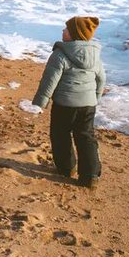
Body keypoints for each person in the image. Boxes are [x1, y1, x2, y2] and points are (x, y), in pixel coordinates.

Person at [28, 16, 105, 188]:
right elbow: (101, 79)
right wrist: (95, 98)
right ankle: (90, 175)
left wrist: (41, 101)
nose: (63, 31)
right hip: (88, 105)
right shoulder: (94, 54)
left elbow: (50, 80)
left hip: (64, 104)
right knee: (86, 136)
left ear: (75, 34)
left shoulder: (60, 54)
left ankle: (66, 168)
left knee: (60, 134)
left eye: (67, 29)